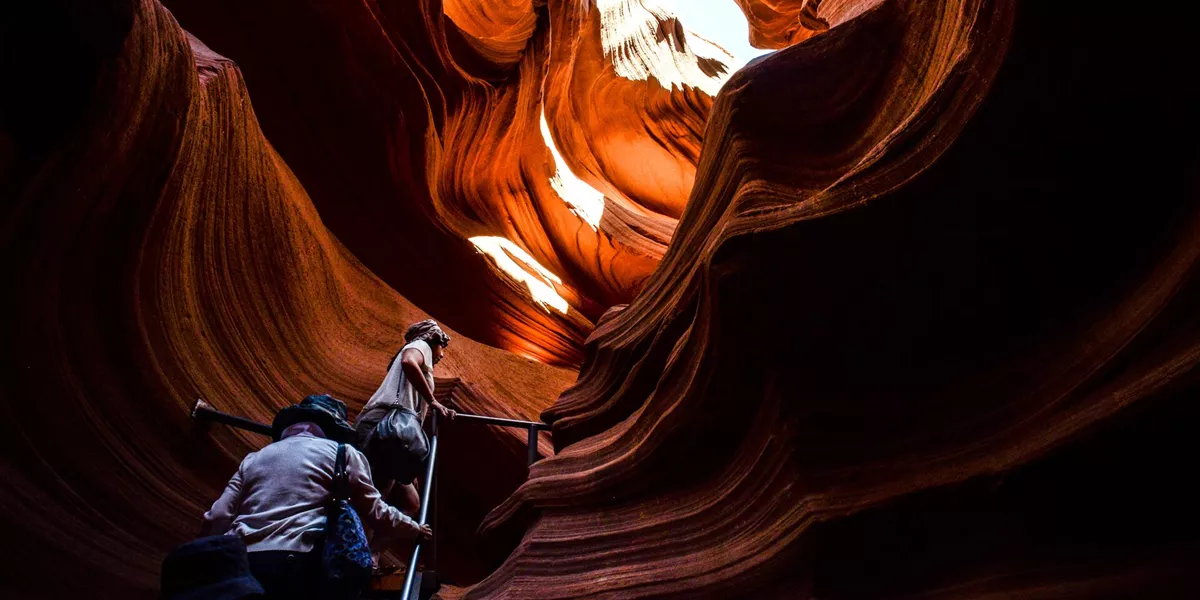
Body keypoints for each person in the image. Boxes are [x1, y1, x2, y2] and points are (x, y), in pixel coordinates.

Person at [202, 394, 430, 600]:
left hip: (240, 564)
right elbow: (375, 511)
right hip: (298, 562)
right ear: (334, 427)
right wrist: (414, 528)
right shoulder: (342, 453)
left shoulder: (253, 458)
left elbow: (218, 516)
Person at [354, 319, 456, 515]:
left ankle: (374, 546)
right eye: (442, 347)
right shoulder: (422, 345)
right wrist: (432, 400)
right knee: (373, 503)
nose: (442, 354)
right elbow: (409, 361)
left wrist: (406, 466)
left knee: (411, 502)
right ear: (432, 340)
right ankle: (363, 544)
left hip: (388, 427)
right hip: (387, 426)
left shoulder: (418, 349)